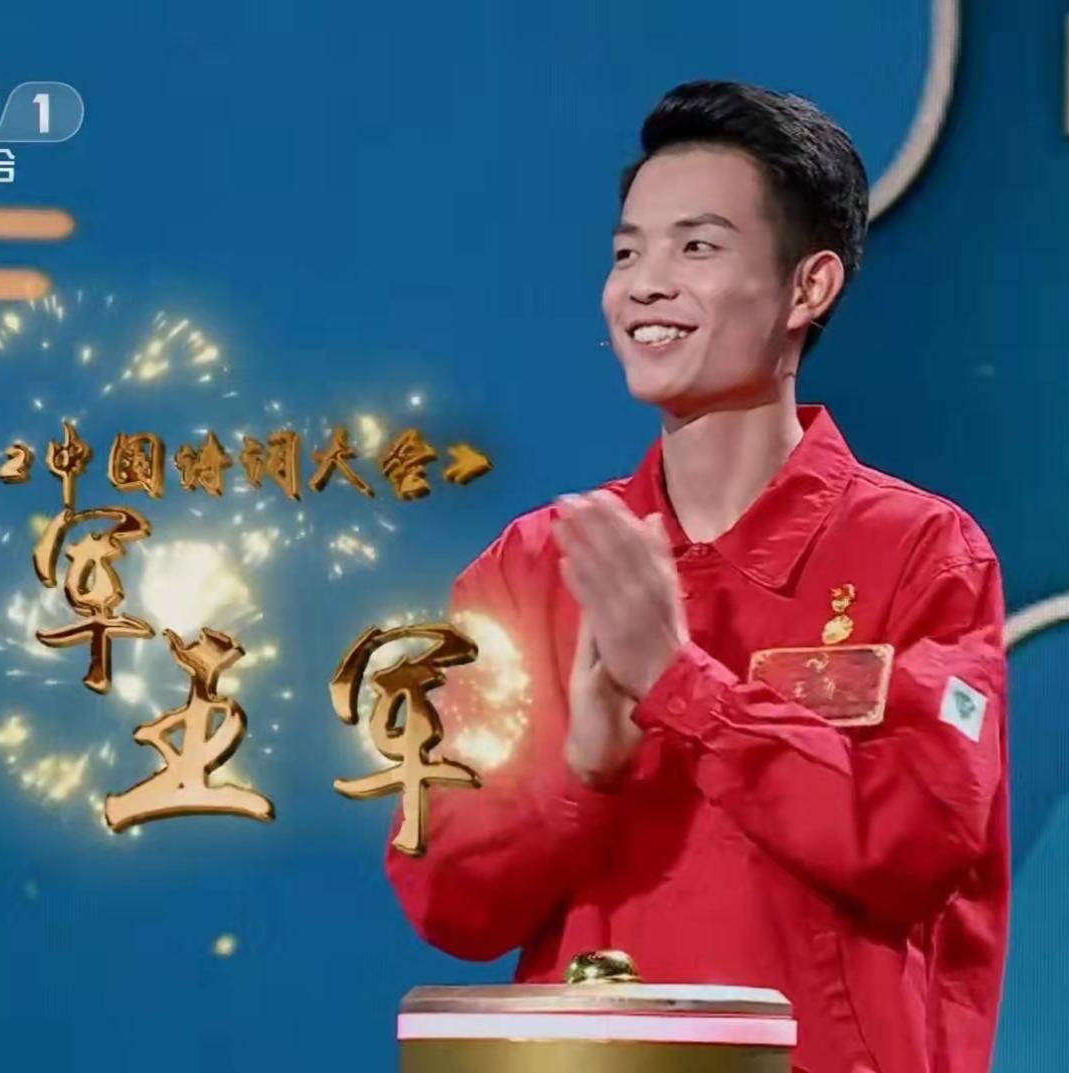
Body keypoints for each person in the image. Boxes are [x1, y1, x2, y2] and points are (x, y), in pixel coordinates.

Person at [386, 80, 1010, 1073]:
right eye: (627, 252)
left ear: (808, 287)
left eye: (697, 247)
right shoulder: (536, 565)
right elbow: (445, 896)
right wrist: (581, 771)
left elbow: (919, 844)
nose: (645, 284)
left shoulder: (922, 552)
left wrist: (685, 689)